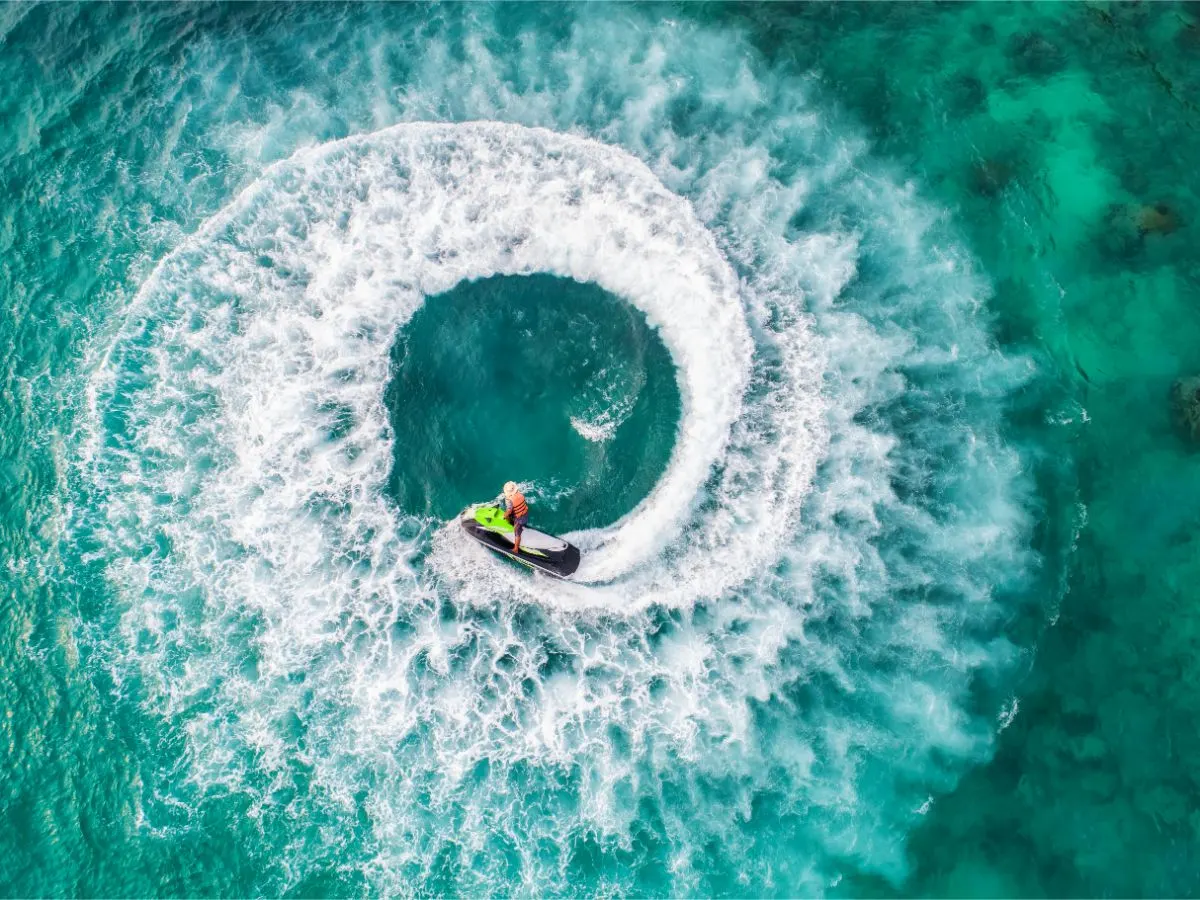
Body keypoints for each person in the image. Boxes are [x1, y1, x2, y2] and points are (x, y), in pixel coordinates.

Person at [501, 481, 529, 554]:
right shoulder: (520, 494)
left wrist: (505, 515)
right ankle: (518, 525)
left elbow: (509, 511)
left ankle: (516, 549)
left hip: (519, 519)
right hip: (525, 514)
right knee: (514, 519)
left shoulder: (509, 500)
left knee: (517, 533)